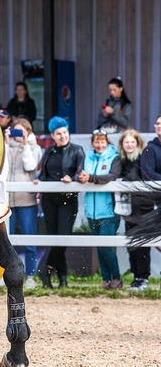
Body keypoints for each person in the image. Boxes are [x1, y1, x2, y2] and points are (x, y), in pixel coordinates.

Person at [35, 116, 85, 289]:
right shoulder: (49, 151)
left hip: (68, 199)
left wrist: (71, 178)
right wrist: (39, 181)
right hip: (50, 200)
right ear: (53, 136)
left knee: (62, 238)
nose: (63, 136)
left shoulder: (77, 150)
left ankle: (45, 268)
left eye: (65, 132)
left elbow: (80, 172)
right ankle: (63, 278)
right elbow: (44, 173)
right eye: (59, 133)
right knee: (54, 238)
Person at [77, 129, 123, 289]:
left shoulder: (114, 157)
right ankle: (106, 279)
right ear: (92, 143)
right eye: (96, 141)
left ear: (107, 142)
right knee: (99, 245)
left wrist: (91, 178)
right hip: (91, 209)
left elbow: (112, 176)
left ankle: (116, 277)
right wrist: (80, 178)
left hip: (109, 210)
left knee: (105, 245)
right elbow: (79, 173)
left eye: (102, 141)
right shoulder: (87, 157)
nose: (99, 145)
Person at [5, 117, 42, 289]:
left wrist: (26, 144)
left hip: (26, 200)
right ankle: (4, 275)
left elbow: (30, 166)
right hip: (7, 201)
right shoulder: (7, 148)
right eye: (15, 131)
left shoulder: (35, 148)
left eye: (21, 131)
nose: (18, 135)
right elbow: (1, 167)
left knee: (29, 240)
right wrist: (5, 144)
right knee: (5, 242)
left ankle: (30, 276)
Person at [118, 129, 153, 291]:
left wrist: (121, 182)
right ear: (122, 145)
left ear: (138, 143)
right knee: (131, 243)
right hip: (128, 209)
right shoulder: (122, 160)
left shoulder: (142, 158)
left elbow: (134, 175)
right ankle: (135, 277)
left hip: (143, 208)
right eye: (126, 142)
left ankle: (143, 277)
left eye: (132, 142)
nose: (129, 145)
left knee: (143, 243)